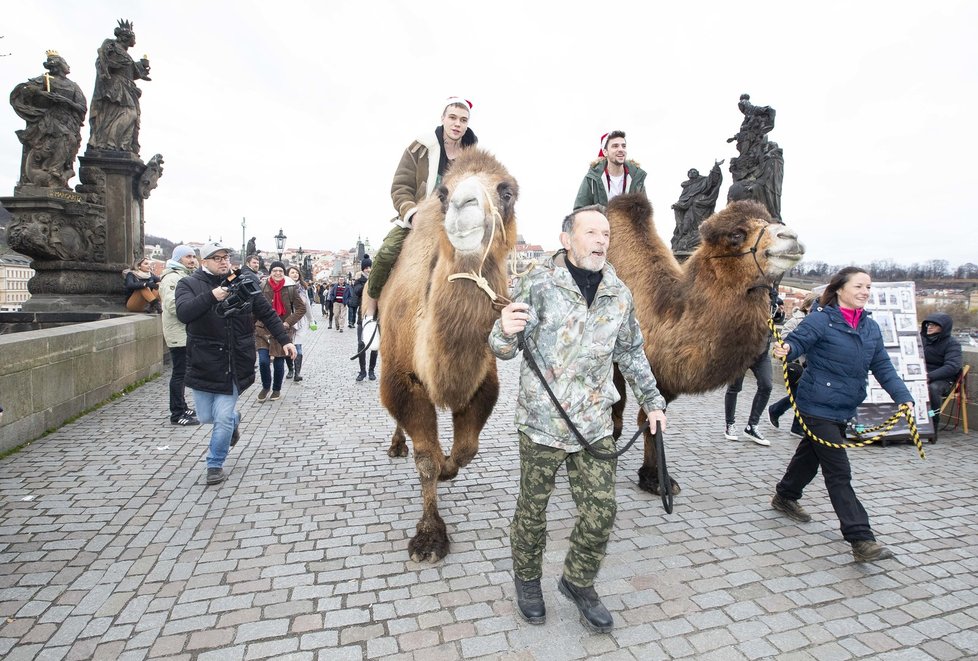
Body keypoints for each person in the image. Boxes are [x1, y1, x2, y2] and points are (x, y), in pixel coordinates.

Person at [489, 205, 668, 633]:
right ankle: (528, 582)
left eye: (606, 234)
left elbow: (631, 352)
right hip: (542, 424)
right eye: (592, 232)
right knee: (532, 511)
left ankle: (578, 580)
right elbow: (504, 347)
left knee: (601, 512)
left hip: (593, 426)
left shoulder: (618, 293)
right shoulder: (538, 281)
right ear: (567, 238)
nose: (602, 240)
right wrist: (503, 330)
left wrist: (653, 401)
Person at [771, 267, 913, 563]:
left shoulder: (870, 328)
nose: (865, 292)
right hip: (816, 404)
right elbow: (798, 342)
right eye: (859, 286)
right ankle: (861, 538)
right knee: (838, 471)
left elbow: (883, 367)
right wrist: (786, 349)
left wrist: (903, 397)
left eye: (868, 287)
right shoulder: (822, 319)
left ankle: (786, 495)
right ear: (839, 289)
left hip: (844, 406)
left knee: (810, 454)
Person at [175, 242, 296, 486]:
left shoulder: (242, 281)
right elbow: (184, 313)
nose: (223, 261)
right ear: (204, 262)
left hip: (233, 359)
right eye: (216, 257)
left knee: (221, 417)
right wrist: (212, 296)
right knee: (206, 416)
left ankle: (214, 463)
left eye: (226, 257)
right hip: (203, 360)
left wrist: (284, 341)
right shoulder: (188, 283)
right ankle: (234, 420)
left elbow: (267, 312)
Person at [360, 97, 478, 340]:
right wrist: (412, 214)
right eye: (453, 118)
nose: (457, 124)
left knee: (483, 260)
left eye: (463, 120)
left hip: (455, 225)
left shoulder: (473, 157)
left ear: (467, 125)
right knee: (385, 253)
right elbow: (400, 186)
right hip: (419, 218)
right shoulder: (420, 147)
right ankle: (370, 313)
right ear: (443, 118)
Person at [10, 50, 88, 189]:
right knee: (65, 138)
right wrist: (43, 94)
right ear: (58, 65)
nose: (67, 66)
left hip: (69, 120)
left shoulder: (73, 86)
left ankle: (59, 174)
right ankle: (53, 172)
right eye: (65, 63)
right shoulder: (45, 79)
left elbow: (82, 107)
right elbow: (26, 89)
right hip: (51, 118)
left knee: (71, 142)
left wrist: (65, 101)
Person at [87, 19, 151, 153]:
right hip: (116, 88)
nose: (135, 41)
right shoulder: (113, 48)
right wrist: (106, 74)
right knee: (129, 113)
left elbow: (130, 71)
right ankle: (110, 143)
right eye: (134, 38)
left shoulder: (123, 53)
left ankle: (121, 144)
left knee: (129, 116)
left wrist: (141, 66)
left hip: (126, 88)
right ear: (126, 37)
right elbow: (104, 63)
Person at [255, 261, 306, 401]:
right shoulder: (262, 286)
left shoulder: (290, 288)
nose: (277, 273)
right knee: (264, 361)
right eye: (275, 270)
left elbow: (301, 308)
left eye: (280, 271)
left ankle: (276, 389)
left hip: (282, 329)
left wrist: (288, 322)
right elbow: (254, 306)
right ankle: (266, 387)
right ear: (270, 272)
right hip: (263, 329)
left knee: (278, 362)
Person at [159, 245, 199, 426]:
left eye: (193, 256)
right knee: (179, 374)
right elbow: (173, 305)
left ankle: (182, 405)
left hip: (185, 331)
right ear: (178, 258)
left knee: (183, 372)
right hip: (178, 332)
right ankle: (177, 413)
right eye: (187, 256)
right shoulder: (172, 278)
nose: (192, 259)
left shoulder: (184, 275)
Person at [768, 293, 818, 436]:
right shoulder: (796, 321)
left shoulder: (816, 321)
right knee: (800, 394)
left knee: (802, 395)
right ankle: (782, 415)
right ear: (807, 306)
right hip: (796, 364)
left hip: (809, 364)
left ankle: (786, 417)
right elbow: (784, 339)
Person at [573, 131, 647, 210]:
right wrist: (601, 212)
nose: (621, 149)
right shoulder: (592, 178)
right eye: (615, 146)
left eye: (623, 146)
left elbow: (645, 211)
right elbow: (579, 210)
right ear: (605, 152)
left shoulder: (636, 177)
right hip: (600, 222)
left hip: (628, 222)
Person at [723, 346, 774, 446]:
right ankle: (730, 424)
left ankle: (752, 426)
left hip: (761, 354)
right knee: (734, 388)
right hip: (740, 355)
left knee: (766, 386)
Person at [670, 160, 724, 253]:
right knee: (685, 226)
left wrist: (716, 167)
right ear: (688, 174)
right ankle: (685, 239)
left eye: (694, 171)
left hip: (700, 208)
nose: (692, 173)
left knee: (699, 226)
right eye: (690, 171)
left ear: (697, 173)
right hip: (689, 209)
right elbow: (684, 200)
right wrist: (677, 205)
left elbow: (712, 180)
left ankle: (695, 240)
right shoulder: (686, 186)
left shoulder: (702, 181)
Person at [920, 313, 963, 418]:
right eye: (928, 324)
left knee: (933, 388)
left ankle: (933, 419)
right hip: (922, 374)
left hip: (942, 379)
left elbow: (952, 366)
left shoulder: (952, 344)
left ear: (943, 328)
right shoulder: (921, 339)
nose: (929, 327)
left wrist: (929, 376)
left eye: (934, 325)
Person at [285, 266, 315, 383]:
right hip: (288, 320)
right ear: (288, 274)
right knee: (288, 345)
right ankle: (291, 369)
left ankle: (297, 372)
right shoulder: (284, 287)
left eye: (297, 273)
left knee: (298, 347)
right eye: (292, 273)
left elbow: (307, 305)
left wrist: (311, 320)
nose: (295, 274)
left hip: (301, 321)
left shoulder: (303, 288)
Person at [351, 256, 378, 382]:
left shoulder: (378, 280)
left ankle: (371, 370)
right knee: (361, 344)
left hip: (376, 317)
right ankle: (362, 371)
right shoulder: (359, 281)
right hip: (362, 317)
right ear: (362, 269)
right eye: (366, 268)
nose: (368, 270)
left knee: (374, 344)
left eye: (370, 267)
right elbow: (356, 292)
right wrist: (368, 283)